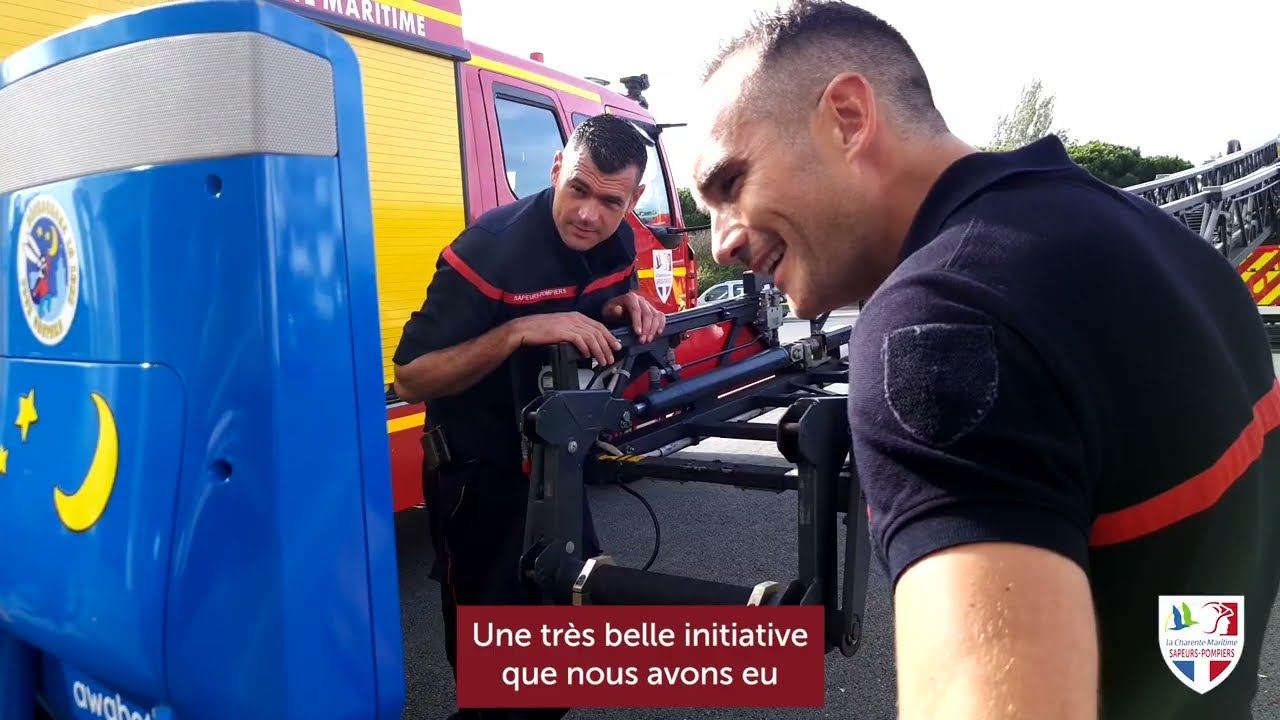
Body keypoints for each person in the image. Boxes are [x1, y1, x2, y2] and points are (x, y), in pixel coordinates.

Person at [690, 2, 1279, 718]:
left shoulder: (936, 328)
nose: (720, 241)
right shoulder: (1163, 242)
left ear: (847, 117)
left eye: (730, 185)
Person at [392, 113, 666, 720]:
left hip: (555, 466)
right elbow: (411, 375)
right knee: (497, 685)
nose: (590, 214)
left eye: (611, 201)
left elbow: (592, 305)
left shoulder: (618, 242)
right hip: (477, 477)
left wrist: (625, 304)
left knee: (566, 648)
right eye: (578, 189)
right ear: (555, 171)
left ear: (635, 199)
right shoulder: (490, 252)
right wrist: (517, 330)